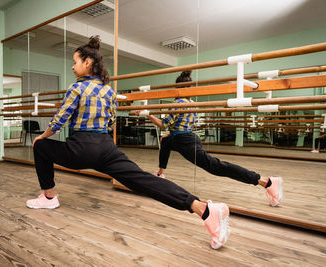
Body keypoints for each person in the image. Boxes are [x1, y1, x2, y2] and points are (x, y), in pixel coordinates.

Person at [27, 36, 230, 249]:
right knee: (142, 179)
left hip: (81, 148)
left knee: (40, 146)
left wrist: (43, 136)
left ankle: (49, 197)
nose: (72, 66)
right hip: (106, 147)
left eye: (75, 61)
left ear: (87, 63)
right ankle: (203, 209)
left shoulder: (77, 87)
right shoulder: (109, 91)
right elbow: (112, 122)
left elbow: (60, 118)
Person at [136, 71, 283, 208]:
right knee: (166, 142)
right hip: (185, 137)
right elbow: (182, 125)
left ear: (178, 88)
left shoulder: (178, 103)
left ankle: (265, 181)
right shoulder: (192, 103)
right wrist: (170, 134)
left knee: (215, 166)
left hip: (185, 142)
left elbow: (163, 124)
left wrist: (148, 114)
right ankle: (160, 173)